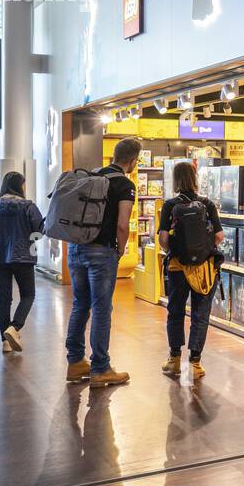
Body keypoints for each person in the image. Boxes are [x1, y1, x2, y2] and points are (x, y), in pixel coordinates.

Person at [65, 138, 138, 387]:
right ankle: (100, 368)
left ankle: (75, 363)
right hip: (101, 252)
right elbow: (122, 223)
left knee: (80, 304)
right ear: (133, 161)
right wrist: (119, 251)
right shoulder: (124, 184)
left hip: (75, 248)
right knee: (101, 308)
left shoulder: (92, 176)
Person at [157, 160, 224, 380]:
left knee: (175, 311)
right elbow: (219, 236)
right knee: (200, 314)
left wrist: (174, 251)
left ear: (175, 180)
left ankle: (174, 360)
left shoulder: (169, 205)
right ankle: (195, 363)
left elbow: (164, 238)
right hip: (204, 269)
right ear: (195, 179)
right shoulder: (207, 203)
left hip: (178, 267)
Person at [0, 171, 44, 354]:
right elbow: (40, 229)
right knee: (28, 295)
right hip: (24, 256)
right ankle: (14, 328)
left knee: (4, 299)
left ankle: (5, 342)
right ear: (20, 186)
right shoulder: (29, 206)